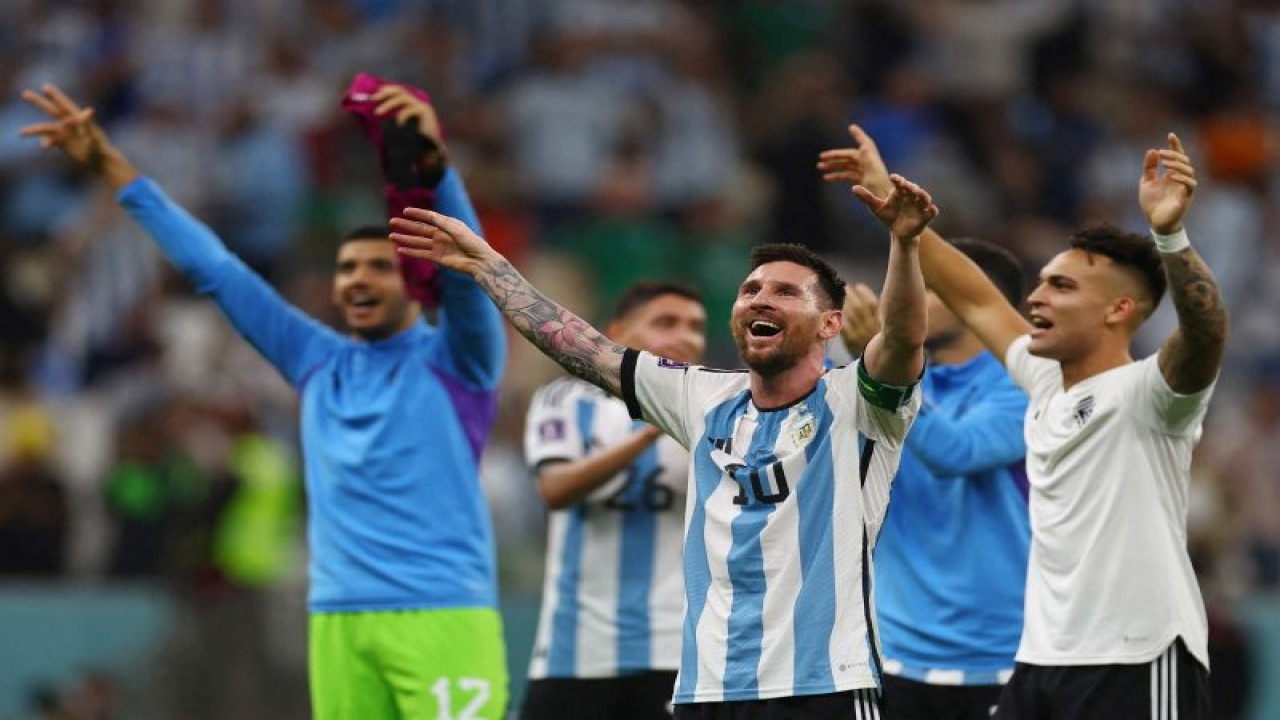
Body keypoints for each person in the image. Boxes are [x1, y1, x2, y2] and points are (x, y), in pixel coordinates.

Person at [20, 84, 510, 719]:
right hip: (338, 620)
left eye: (378, 267)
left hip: (442, 611)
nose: (357, 279)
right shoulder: (315, 359)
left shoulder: (459, 361)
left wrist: (430, 161)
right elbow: (215, 269)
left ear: (416, 282)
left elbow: (472, 267)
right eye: (347, 269)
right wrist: (112, 167)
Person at [390, 171, 940, 719]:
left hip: (823, 686)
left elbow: (901, 338)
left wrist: (905, 243)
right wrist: (492, 268)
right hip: (708, 689)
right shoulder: (701, 397)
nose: (759, 300)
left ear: (830, 324)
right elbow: (585, 348)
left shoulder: (860, 405)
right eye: (750, 290)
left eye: (785, 292)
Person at [820, 124, 1226, 718]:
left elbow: (1207, 332)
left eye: (1061, 287)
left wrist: (1169, 235)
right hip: (1040, 658)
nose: (1036, 299)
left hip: (1136, 655)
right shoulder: (1041, 382)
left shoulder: (1152, 393)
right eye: (1038, 284)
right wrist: (898, 216)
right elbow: (978, 296)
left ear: (1119, 309)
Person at [837, 238, 1030, 720]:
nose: (898, 302)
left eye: (924, 290)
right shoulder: (882, 376)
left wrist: (883, 366)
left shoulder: (1026, 385)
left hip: (995, 656)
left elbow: (955, 451)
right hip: (889, 651)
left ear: (972, 302)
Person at [519, 280, 706, 720]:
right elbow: (555, 489)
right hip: (574, 649)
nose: (685, 336)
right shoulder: (566, 400)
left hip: (674, 648)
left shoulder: (718, 411)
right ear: (617, 332)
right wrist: (652, 426)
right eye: (666, 322)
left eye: (696, 326)